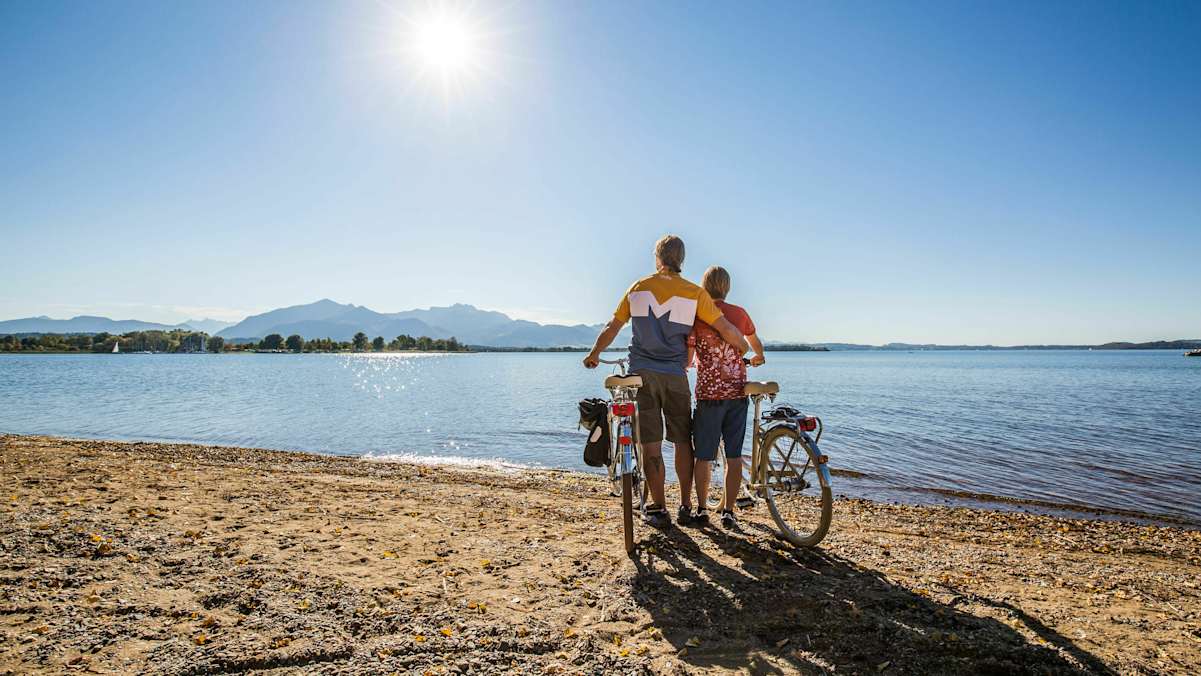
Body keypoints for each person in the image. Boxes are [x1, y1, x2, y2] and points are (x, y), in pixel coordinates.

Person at [584, 235, 750, 526]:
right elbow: (724, 327)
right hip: (675, 376)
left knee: (651, 444)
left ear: (657, 258)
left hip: (643, 375)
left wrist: (595, 353)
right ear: (682, 260)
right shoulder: (693, 293)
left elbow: (613, 326)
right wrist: (743, 347)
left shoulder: (639, 287)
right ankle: (686, 505)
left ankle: (659, 508)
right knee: (683, 441)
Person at [686, 265, 765, 529]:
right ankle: (729, 512)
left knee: (704, 456)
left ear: (704, 287)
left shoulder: (697, 314)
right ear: (727, 287)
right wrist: (757, 358)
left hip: (709, 395)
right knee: (734, 456)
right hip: (737, 394)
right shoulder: (740, 314)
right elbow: (755, 344)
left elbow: (688, 356)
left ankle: (700, 509)